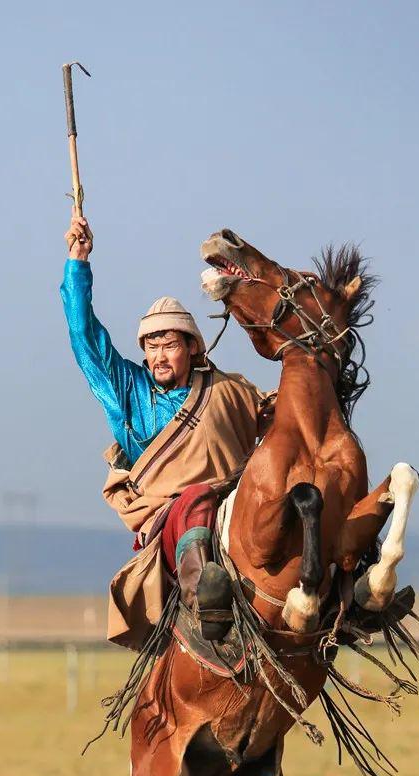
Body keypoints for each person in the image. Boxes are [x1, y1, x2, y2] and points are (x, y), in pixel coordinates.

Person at [61, 213, 274, 648]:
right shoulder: (127, 390)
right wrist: (77, 262)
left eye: (170, 345)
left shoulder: (229, 390)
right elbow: (84, 336)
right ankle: (203, 597)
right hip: (168, 521)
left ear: (192, 347)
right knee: (194, 497)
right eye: (151, 346)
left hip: (234, 506)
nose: (159, 355)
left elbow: (279, 423)